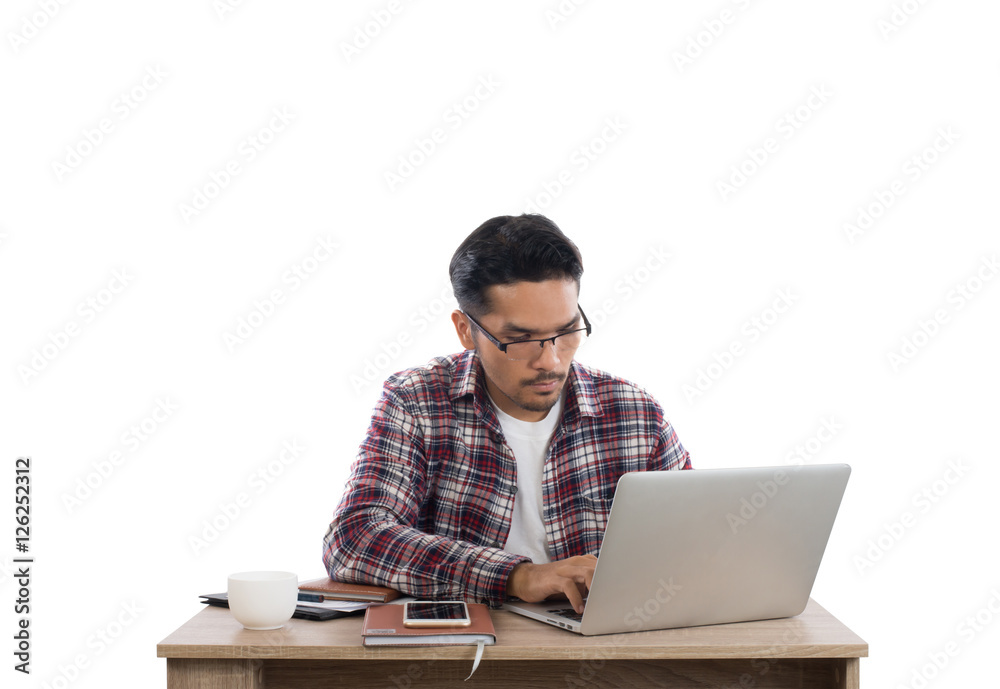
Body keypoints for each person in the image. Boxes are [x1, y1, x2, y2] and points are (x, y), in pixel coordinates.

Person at [322, 214, 691, 614]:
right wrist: (518, 577)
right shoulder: (418, 401)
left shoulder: (635, 413)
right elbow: (354, 538)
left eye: (567, 332)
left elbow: (698, 540)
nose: (550, 361)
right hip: (470, 644)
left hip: (604, 640)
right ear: (466, 330)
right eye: (520, 339)